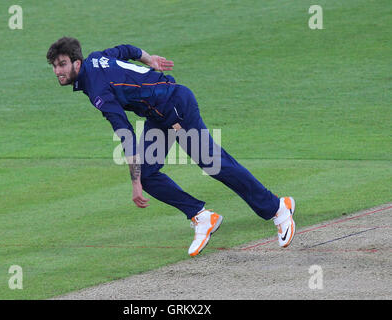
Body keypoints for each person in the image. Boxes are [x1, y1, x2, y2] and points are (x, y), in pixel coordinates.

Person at [46, 37, 296, 257]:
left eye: (63, 64)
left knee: (214, 164)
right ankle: (201, 216)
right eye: (55, 65)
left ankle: (277, 209)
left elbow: (125, 134)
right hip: (159, 114)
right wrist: (149, 59)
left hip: (176, 107)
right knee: (147, 173)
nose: (58, 70)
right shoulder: (97, 58)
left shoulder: (98, 90)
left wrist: (134, 184)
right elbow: (126, 49)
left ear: (77, 63)